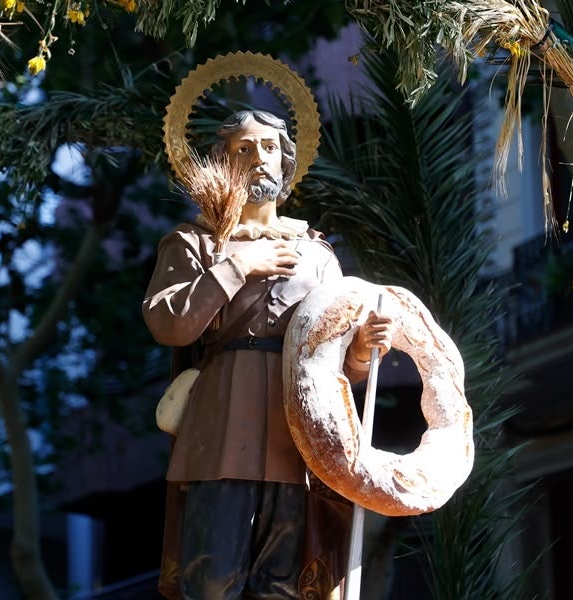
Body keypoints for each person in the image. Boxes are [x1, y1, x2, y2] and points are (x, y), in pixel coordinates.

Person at [143, 109, 394, 599]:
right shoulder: (194, 243)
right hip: (220, 432)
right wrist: (236, 266)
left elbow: (336, 354)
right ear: (223, 163)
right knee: (212, 581)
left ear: (286, 162)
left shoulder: (319, 254)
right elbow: (169, 322)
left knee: (284, 586)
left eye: (270, 148)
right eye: (244, 148)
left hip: (295, 435)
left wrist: (362, 350)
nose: (260, 158)